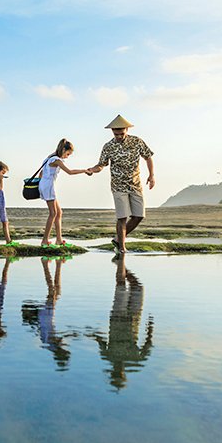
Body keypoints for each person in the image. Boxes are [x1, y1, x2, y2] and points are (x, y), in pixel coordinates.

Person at [87, 115, 155, 254]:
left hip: (135, 184)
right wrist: (93, 170)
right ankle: (122, 248)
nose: (118, 136)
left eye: (121, 133)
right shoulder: (108, 146)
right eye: (115, 133)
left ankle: (118, 239)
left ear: (127, 130)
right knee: (122, 217)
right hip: (118, 185)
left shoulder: (137, 142)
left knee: (138, 216)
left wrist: (151, 175)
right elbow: (101, 165)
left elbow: (148, 156)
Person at [91, 254, 154, 390]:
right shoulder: (136, 361)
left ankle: (121, 265)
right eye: (120, 376)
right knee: (138, 288)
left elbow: (100, 341)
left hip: (117, 317)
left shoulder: (108, 356)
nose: (119, 372)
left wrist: (92, 334)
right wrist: (150, 328)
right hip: (134, 318)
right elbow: (148, 345)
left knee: (122, 285)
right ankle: (122, 265)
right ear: (123, 376)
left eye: (116, 375)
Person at [38, 138, 90, 249]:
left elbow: (41, 174)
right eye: (68, 154)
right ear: (63, 150)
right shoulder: (56, 160)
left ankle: (59, 239)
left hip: (45, 184)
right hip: (48, 186)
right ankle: (45, 240)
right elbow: (70, 172)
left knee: (59, 212)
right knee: (53, 213)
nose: (68, 156)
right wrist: (84, 170)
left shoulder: (49, 158)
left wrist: (43, 184)